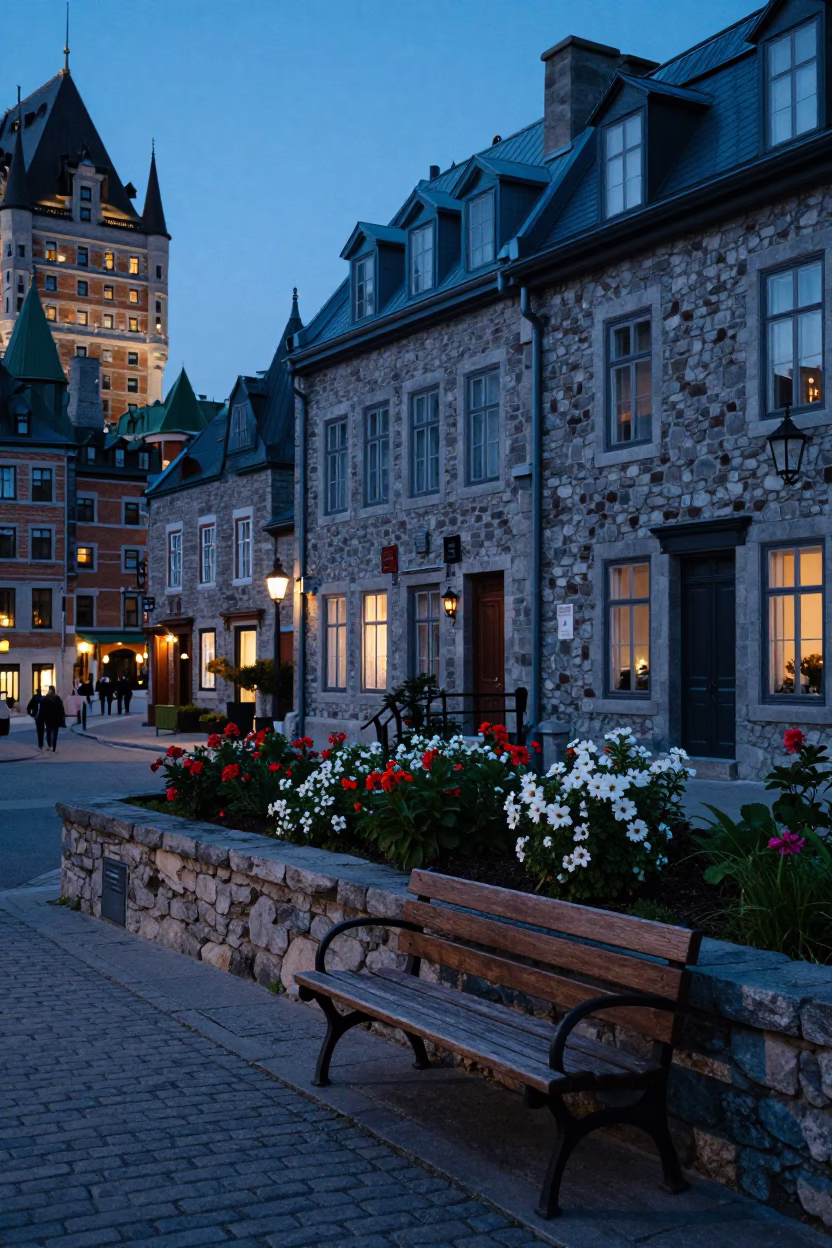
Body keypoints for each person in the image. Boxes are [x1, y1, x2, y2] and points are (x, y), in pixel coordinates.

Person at [41, 686, 66, 752]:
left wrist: (42, 717)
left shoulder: (46, 698)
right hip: (55, 718)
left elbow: (43, 709)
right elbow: (61, 708)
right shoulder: (57, 698)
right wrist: (63, 716)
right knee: (54, 733)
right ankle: (53, 747)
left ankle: (50, 745)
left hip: (49, 718)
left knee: (49, 732)